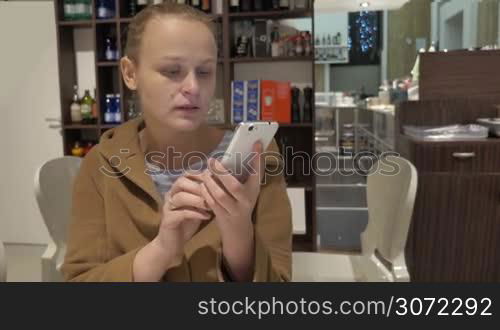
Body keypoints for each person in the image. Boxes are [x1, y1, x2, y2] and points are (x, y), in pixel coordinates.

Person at [61, 3, 292, 282]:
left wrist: (238, 229)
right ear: (130, 73)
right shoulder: (101, 164)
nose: (193, 87)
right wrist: (162, 249)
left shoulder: (256, 155)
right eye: (172, 71)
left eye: (205, 72)